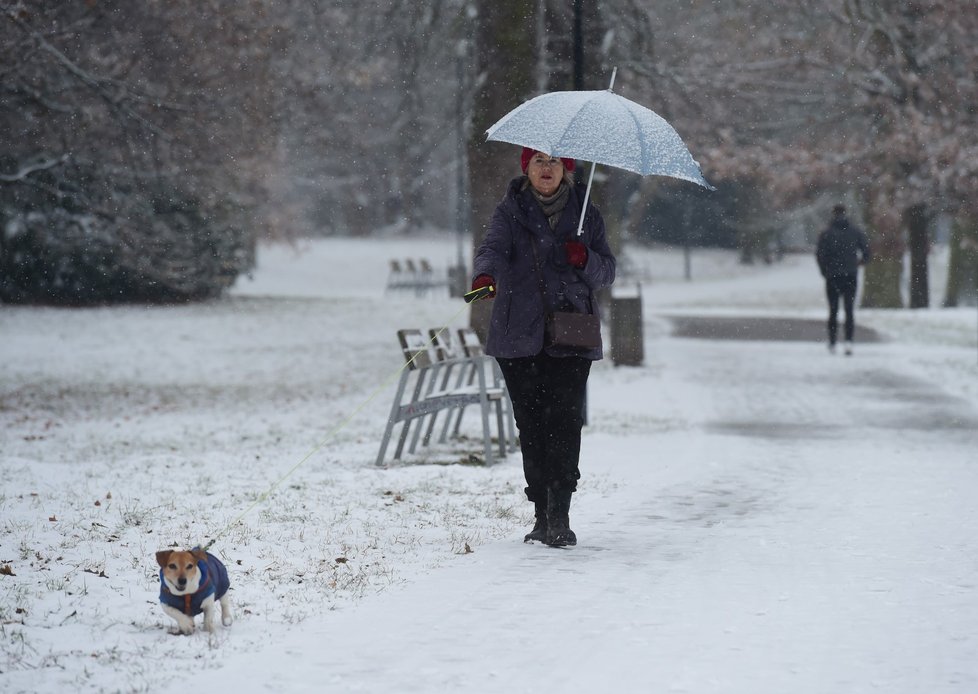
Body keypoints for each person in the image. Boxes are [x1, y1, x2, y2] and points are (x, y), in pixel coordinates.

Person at [470, 147, 616, 547]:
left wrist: (584, 258)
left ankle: (560, 515)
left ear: (566, 170)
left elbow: (607, 272)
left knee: (565, 423)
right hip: (517, 334)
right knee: (531, 427)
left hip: (571, 334)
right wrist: (485, 275)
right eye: (538, 161)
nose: (546, 168)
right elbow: (493, 249)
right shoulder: (509, 211)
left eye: (554, 162)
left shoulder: (587, 215)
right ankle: (539, 513)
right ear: (527, 168)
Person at [815, 204, 871, 355]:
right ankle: (849, 341)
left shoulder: (826, 233)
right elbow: (866, 251)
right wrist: (858, 263)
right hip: (850, 275)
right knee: (849, 309)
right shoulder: (855, 232)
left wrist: (825, 271)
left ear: (833, 214)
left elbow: (820, 255)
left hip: (833, 276)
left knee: (833, 310)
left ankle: (833, 341)